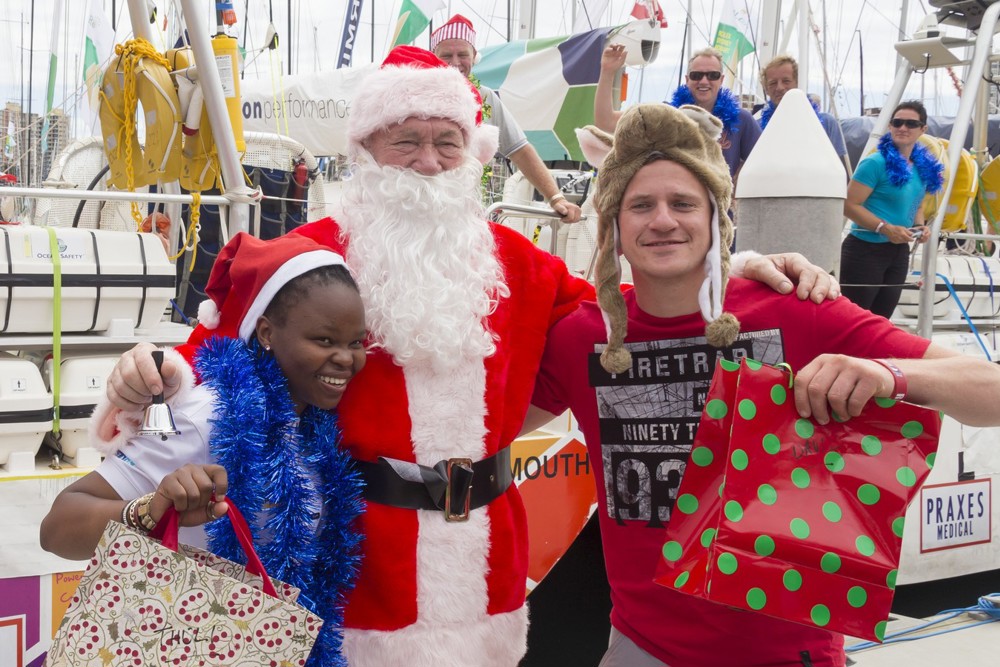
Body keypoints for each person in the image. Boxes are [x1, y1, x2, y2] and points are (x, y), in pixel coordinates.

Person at [97, 47, 839, 667]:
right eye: (405, 139)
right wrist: (151, 372)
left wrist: (725, 270)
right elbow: (210, 353)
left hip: (488, 567)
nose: (426, 160)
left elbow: (634, 309)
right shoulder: (303, 256)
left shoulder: (519, 263)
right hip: (355, 563)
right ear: (366, 151)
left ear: (472, 154)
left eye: (445, 140)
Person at [527, 103, 1000, 667]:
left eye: (683, 203)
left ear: (716, 217)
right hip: (644, 646)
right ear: (614, 226)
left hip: (792, 652)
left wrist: (889, 374)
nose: (662, 221)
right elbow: (480, 428)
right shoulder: (584, 336)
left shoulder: (796, 312)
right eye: (640, 205)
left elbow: (988, 389)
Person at [40, 232, 367, 667]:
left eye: (356, 342)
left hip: (265, 647)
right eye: (325, 341)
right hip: (175, 642)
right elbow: (58, 526)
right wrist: (152, 508)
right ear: (266, 332)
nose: (346, 359)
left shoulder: (317, 427)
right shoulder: (207, 414)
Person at [431, 13, 583, 223]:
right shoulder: (418, 94)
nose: (455, 62)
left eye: (462, 55)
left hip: (465, 217)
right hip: (420, 208)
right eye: (446, 55)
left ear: (474, 56)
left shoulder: (485, 98)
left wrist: (556, 198)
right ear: (433, 55)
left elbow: (520, 150)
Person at [840, 100, 942, 319]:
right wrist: (884, 228)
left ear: (922, 129)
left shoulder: (921, 167)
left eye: (910, 124)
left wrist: (919, 227)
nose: (902, 128)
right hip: (864, 251)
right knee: (855, 321)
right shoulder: (875, 162)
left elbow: (918, 203)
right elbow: (848, 204)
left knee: (881, 320)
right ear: (890, 126)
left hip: (898, 252)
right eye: (897, 122)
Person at [595, 43, 760, 177]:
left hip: (720, 213)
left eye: (712, 75)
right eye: (696, 75)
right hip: (676, 211)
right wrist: (607, 71)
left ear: (721, 80)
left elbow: (760, 162)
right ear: (687, 80)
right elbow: (606, 121)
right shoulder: (665, 115)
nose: (704, 81)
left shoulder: (741, 119)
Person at [758, 55, 850, 173]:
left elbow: (840, 171)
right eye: (773, 83)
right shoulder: (757, 126)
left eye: (786, 81)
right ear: (766, 89)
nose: (779, 87)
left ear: (798, 83)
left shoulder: (827, 123)